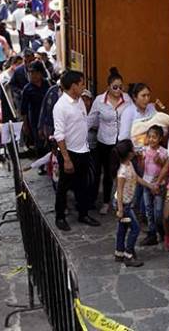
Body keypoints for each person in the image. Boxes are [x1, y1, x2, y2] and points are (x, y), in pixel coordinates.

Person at [52, 70, 100, 231]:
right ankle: (60, 217)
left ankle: (83, 213)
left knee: (82, 185)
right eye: (81, 84)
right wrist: (66, 158)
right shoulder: (61, 107)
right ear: (73, 86)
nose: (84, 87)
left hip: (83, 150)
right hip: (70, 153)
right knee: (64, 186)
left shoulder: (79, 101)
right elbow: (59, 135)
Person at [87, 67, 131, 215]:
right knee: (106, 173)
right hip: (105, 142)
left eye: (120, 87)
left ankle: (122, 201)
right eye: (115, 87)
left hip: (121, 143)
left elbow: (132, 117)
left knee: (123, 172)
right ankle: (106, 201)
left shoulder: (127, 100)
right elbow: (91, 119)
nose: (118, 90)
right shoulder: (100, 101)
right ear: (108, 87)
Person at [113, 139, 157, 267]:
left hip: (125, 203)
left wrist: (149, 185)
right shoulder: (122, 172)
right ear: (129, 153)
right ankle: (128, 254)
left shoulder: (129, 164)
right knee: (135, 229)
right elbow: (120, 192)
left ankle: (119, 252)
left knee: (122, 229)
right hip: (123, 205)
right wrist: (120, 210)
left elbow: (136, 178)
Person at [139, 125, 169, 246]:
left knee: (158, 211)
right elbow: (142, 168)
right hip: (147, 183)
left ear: (160, 138)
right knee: (148, 210)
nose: (151, 139)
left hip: (159, 186)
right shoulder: (144, 150)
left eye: (154, 137)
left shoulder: (163, 152)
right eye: (150, 137)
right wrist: (141, 160)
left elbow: (166, 169)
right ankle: (152, 233)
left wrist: (160, 162)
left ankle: (161, 230)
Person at [21, 61, 49, 158]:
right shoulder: (27, 89)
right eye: (30, 73)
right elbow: (23, 110)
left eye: (35, 73)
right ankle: (41, 165)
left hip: (48, 119)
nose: (32, 75)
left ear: (41, 73)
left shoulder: (48, 84)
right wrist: (25, 125)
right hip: (35, 120)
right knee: (39, 143)